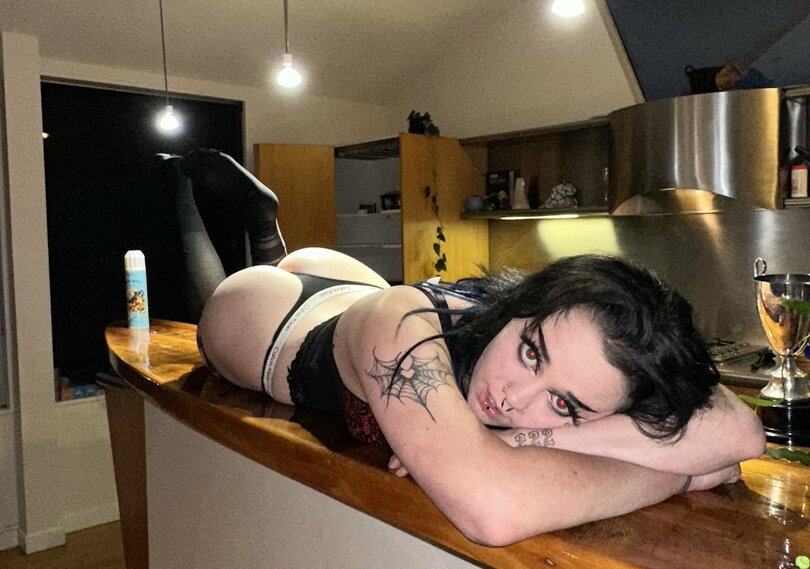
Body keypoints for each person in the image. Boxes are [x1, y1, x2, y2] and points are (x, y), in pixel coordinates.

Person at [164, 150, 765, 546]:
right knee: (207, 300)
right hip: (273, 320)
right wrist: (679, 474)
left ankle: (269, 229)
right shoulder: (403, 331)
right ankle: (199, 198)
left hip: (358, 291)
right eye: (531, 353)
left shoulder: (576, 362)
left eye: (563, 404)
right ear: (525, 307)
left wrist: (531, 441)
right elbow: (493, 509)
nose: (513, 398)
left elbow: (741, 433)